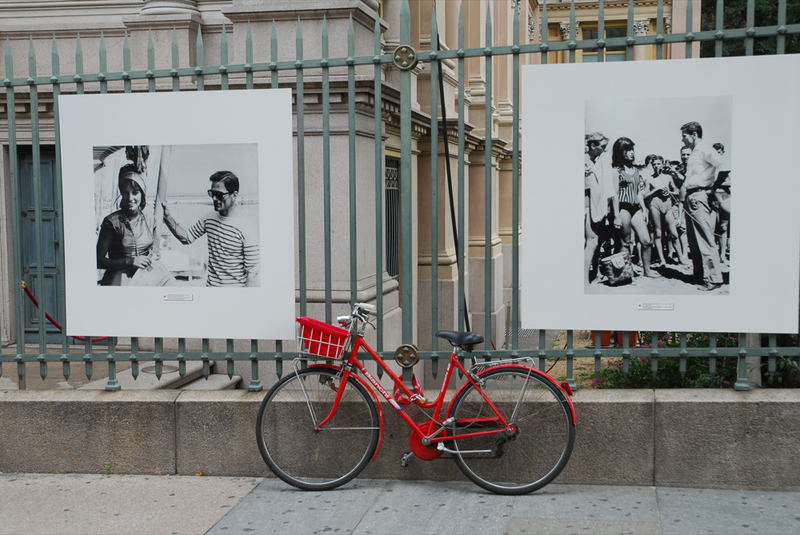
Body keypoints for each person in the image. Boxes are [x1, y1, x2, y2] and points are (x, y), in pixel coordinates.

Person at [162, 171, 260, 287]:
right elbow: (186, 238)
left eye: (219, 195)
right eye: (212, 193)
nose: (214, 198)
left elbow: (252, 274)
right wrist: (168, 217)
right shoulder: (209, 218)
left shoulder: (246, 228)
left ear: (234, 195)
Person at [678, 122, 729, 291]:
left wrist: (713, 188)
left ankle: (715, 278)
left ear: (693, 134)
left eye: (684, 135)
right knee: (693, 239)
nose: (682, 139)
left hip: (700, 195)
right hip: (691, 196)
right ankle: (699, 275)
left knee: (705, 238)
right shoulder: (695, 153)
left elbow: (724, 167)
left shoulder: (705, 149)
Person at [96, 164, 154, 286]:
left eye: (135, 192)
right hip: (118, 281)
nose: (130, 198)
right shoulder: (111, 222)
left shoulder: (149, 218)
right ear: (121, 193)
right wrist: (130, 261)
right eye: (126, 193)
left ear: (142, 194)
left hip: (143, 280)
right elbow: (98, 260)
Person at [611, 137, 657, 278]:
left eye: (632, 149)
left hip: (636, 207)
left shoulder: (636, 170)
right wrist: (616, 215)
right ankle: (625, 273)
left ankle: (647, 271)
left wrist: (644, 210)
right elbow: (615, 194)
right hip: (623, 207)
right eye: (628, 150)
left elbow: (639, 193)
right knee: (625, 242)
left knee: (646, 241)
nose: (631, 153)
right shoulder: (616, 171)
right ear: (620, 152)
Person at [584, 132, 619, 284]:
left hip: (593, 206)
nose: (604, 151)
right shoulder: (585, 162)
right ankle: (584, 279)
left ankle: (594, 273)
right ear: (593, 145)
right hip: (587, 207)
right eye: (602, 147)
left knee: (594, 242)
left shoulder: (594, 162)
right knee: (592, 242)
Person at [644, 155, 683, 267]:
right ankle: (662, 260)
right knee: (658, 233)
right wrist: (655, 190)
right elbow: (645, 196)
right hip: (655, 205)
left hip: (667, 205)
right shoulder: (649, 179)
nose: (656, 166)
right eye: (654, 164)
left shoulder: (668, 177)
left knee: (674, 234)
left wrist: (669, 192)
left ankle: (681, 258)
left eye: (658, 163)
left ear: (662, 164)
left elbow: (677, 191)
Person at [711, 142, 731, 267]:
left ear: (723, 152)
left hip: (725, 195)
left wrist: (717, 185)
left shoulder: (726, 164)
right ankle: (714, 254)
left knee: (723, 227)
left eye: (719, 152)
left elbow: (730, 182)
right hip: (713, 197)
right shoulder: (711, 166)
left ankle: (722, 255)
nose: (717, 155)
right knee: (713, 227)